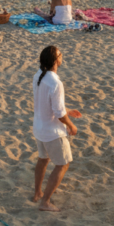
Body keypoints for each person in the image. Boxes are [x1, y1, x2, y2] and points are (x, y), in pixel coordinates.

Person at [31, 46, 82, 212]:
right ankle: (45, 201)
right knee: (63, 164)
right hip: (52, 132)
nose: (62, 56)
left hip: (39, 128)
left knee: (43, 159)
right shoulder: (56, 82)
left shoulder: (38, 76)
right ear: (55, 61)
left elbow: (50, 106)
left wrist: (68, 111)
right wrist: (70, 124)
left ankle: (38, 192)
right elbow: (58, 114)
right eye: (60, 54)